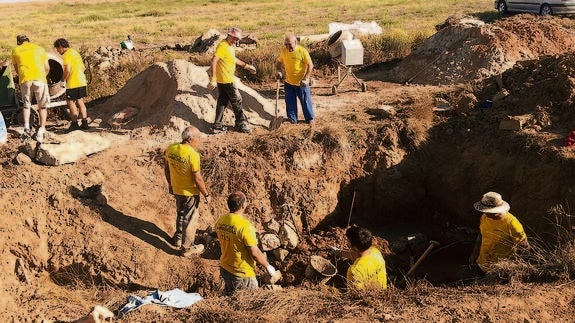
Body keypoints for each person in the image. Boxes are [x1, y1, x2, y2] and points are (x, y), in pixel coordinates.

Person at [215, 191, 281, 295]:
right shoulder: (245, 226)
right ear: (243, 205)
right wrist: (267, 266)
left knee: (230, 298)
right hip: (242, 273)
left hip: (225, 267)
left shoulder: (221, 220)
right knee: (248, 303)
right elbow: (254, 252)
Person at [164, 126, 211, 256]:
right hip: (190, 193)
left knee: (180, 214)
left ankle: (178, 239)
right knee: (189, 219)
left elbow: (167, 169)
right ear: (190, 139)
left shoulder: (171, 149)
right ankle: (187, 248)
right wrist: (206, 194)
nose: (199, 141)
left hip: (177, 189)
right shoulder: (193, 155)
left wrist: (170, 185)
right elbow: (198, 179)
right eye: (198, 138)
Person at [208, 27, 257, 134]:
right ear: (229, 35)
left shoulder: (229, 46)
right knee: (237, 100)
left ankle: (217, 125)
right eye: (235, 38)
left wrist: (247, 66)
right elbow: (214, 60)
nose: (236, 41)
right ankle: (241, 123)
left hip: (224, 79)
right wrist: (213, 79)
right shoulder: (223, 46)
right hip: (226, 79)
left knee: (222, 101)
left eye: (237, 39)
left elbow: (233, 59)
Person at [468, 191, 530, 275]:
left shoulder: (512, 223)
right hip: (482, 265)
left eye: (486, 210)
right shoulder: (484, 217)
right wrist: (474, 253)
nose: (484, 212)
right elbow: (481, 235)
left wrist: (515, 269)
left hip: (500, 271)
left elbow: (524, 248)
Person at [11, 34, 50, 143]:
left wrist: (23, 77)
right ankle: (42, 128)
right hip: (40, 79)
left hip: (25, 79)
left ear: (18, 42)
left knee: (26, 105)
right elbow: (47, 67)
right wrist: (42, 77)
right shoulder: (39, 49)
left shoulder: (16, 50)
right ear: (28, 40)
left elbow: (17, 69)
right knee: (42, 106)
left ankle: (26, 128)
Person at [276, 34, 315, 124]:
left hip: (301, 83)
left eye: (289, 44)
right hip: (289, 83)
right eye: (286, 44)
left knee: (305, 101)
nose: (287, 46)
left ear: (295, 42)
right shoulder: (284, 51)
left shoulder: (302, 51)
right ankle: (293, 120)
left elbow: (310, 65)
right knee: (290, 102)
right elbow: (279, 62)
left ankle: (310, 119)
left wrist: (306, 78)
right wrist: (278, 71)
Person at [53, 38, 89, 131]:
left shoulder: (67, 55)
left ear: (61, 47)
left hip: (73, 83)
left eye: (57, 49)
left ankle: (74, 123)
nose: (57, 51)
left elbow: (67, 70)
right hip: (82, 81)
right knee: (80, 101)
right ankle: (85, 122)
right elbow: (83, 67)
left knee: (71, 102)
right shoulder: (75, 52)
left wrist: (62, 80)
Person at [343, 226, 387, 290]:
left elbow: (355, 294)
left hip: (369, 297)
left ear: (355, 247)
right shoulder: (375, 251)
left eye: (348, 241)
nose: (347, 242)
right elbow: (357, 254)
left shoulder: (354, 271)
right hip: (382, 290)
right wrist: (339, 252)